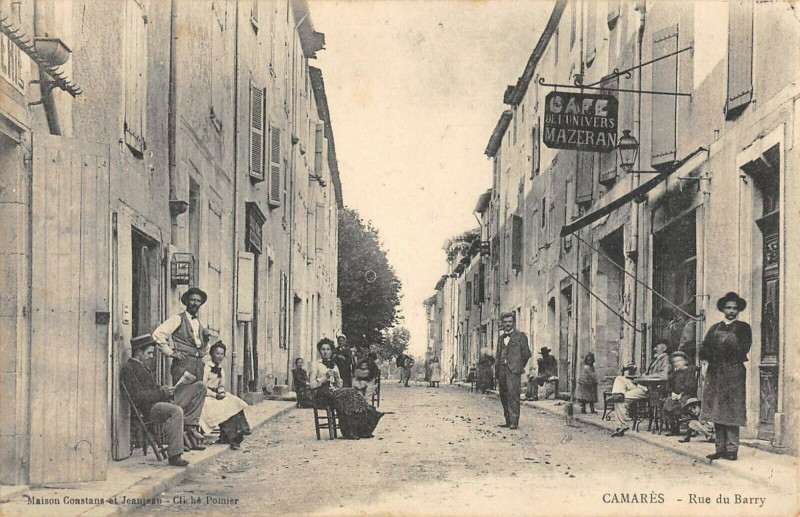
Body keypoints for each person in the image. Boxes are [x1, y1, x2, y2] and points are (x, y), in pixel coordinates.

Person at [121, 335, 207, 467]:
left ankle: (190, 424)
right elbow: (138, 397)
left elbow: (151, 389)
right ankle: (175, 456)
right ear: (139, 352)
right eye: (149, 353)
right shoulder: (129, 368)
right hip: (151, 409)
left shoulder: (142, 366)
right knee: (176, 411)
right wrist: (161, 392)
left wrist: (163, 389)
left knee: (200, 387)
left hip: (162, 402)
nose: (151, 356)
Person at [699, 292, 751, 462]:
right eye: (728, 307)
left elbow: (743, 348)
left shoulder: (744, 328)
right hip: (715, 372)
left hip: (734, 372)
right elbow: (704, 348)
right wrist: (713, 356)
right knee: (716, 409)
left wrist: (723, 352)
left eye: (735, 308)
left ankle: (732, 449)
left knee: (732, 408)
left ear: (738, 310)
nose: (731, 311)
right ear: (723, 309)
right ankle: (719, 448)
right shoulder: (714, 328)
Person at [311, 338, 385, 439]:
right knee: (349, 394)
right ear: (319, 351)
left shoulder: (334, 365)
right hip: (322, 394)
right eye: (323, 349)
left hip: (334, 393)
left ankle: (360, 428)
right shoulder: (315, 365)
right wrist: (324, 378)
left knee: (352, 395)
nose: (325, 352)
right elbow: (312, 385)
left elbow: (339, 385)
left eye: (328, 349)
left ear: (331, 351)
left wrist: (337, 378)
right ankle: (361, 421)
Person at [153, 287, 212, 385]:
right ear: (187, 301)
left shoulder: (201, 323)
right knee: (182, 396)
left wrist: (205, 341)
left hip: (199, 366)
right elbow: (158, 334)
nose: (195, 303)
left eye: (198, 301)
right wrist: (171, 353)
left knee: (197, 395)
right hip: (183, 365)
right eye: (192, 300)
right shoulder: (177, 319)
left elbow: (205, 349)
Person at [200, 342, 250, 450]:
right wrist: (214, 395)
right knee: (224, 407)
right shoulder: (206, 368)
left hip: (217, 395)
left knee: (234, 401)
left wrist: (221, 392)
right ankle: (232, 437)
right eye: (217, 353)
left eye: (222, 354)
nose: (219, 356)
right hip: (206, 396)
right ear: (211, 354)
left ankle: (242, 429)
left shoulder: (221, 369)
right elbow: (202, 387)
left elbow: (221, 385)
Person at [495, 312, 531, 430]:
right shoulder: (501, 338)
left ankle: (514, 422)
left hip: (513, 371)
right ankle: (508, 420)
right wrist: (497, 370)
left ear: (514, 323)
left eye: (510, 322)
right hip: (502, 370)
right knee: (503, 395)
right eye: (505, 322)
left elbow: (526, 354)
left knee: (513, 395)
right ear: (502, 324)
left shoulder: (521, 336)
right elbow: (498, 354)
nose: (507, 324)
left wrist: (518, 366)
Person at [662, 351, 698, 436]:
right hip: (676, 395)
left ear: (685, 361)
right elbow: (669, 385)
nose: (676, 363)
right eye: (675, 362)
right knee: (668, 405)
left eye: (679, 361)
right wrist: (672, 393)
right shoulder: (674, 373)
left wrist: (681, 394)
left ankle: (692, 428)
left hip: (687, 394)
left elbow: (690, 386)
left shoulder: (689, 371)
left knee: (682, 405)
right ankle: (674, 428)